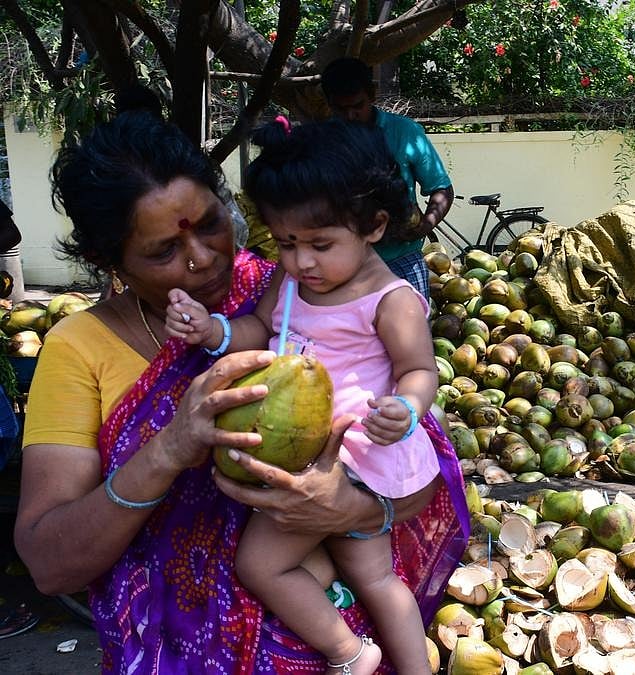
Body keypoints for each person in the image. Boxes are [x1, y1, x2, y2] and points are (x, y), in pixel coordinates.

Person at [13, 111, 468, 674]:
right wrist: (170, 448)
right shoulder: (79, 347)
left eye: (210, 224)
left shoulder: (296, 282)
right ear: (109, 262)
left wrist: (346, 509)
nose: (202, 257)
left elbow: (427, 470)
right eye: (162, 252)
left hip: (330, 626)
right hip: (175, 649)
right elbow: (50, 566)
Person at [165, 117, 439, 674]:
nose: (301, 262)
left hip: (353, 462)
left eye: (320, 244)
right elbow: (256, 329)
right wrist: (213, 331)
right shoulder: (288, 284)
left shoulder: (392, 300)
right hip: (296, 453)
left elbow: (420, 370)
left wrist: (407, 409)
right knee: (371, 577)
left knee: (265, 566)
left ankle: (351, 655)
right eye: (286, 243)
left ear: (375, 226)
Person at [321, 56, 454, 298]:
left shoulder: (405, 132)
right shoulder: (322, 141)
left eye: (357, 106)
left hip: (402, 261)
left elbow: (442, 188)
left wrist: (426, 224)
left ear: (372, 95)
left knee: (409, 334)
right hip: (343, 267)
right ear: (329, 103)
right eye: (341, 109)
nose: (350, 116)